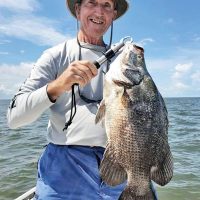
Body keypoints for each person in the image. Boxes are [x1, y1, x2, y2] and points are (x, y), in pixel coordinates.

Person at [7, 0, 158, 199]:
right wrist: (58, 85)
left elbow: (150, 114)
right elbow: (14, 118)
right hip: (64, 169)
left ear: (113, 13)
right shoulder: (55, 56)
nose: (99, 11)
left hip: (121, 163)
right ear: (78, 10)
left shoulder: (123, 58)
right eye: (91, 3)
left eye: (106, 5)